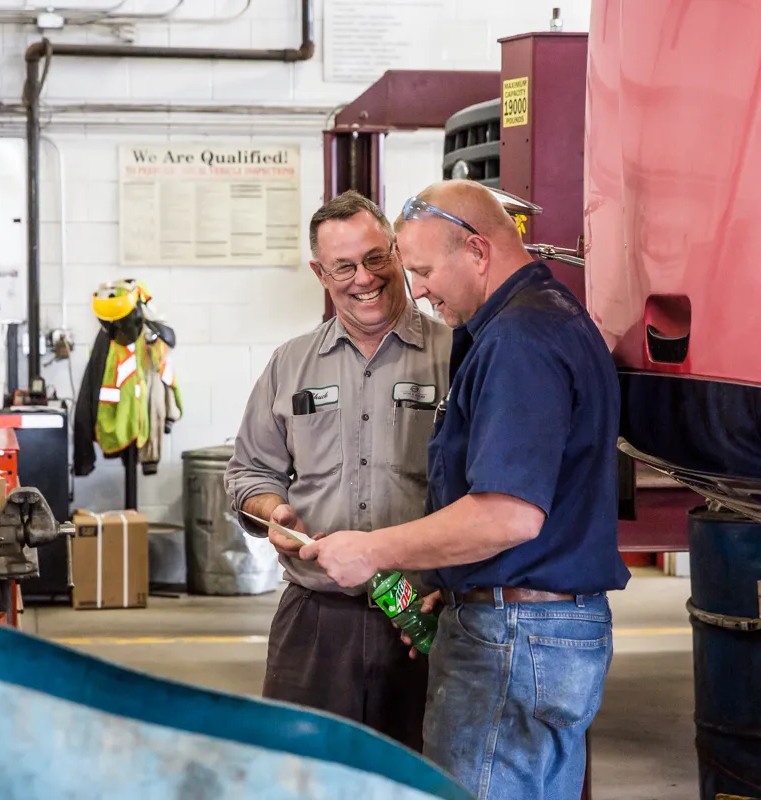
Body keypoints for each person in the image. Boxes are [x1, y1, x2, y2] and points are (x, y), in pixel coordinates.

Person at [300, 180, 631, 799]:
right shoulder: (538, 320)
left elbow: (508, 515)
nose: (417, 290)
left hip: (515, 641)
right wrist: (456, 586)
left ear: (477, 251)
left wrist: (374, 551)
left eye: (423, 270)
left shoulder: (521, 342)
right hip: (522, 623)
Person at [224, 189, 451, 751]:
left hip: (422, 616)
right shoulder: (290, 364)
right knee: (305, 776)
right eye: (343, 266)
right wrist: (271, 511)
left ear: (398, 253)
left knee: (421, 778)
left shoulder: (457, 355)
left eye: (376, 259)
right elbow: (248, 472)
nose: (363, 279)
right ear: (319, 273)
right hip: (315, 619)